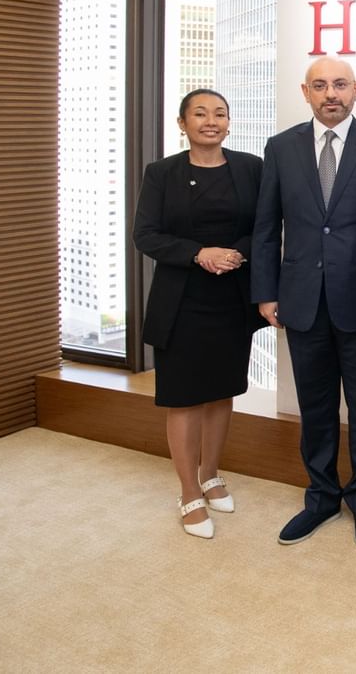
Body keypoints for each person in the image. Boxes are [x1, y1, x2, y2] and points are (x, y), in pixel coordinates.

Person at [251, 57, 356, 549]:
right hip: (300, 301)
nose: (330, 94)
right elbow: (265, 226)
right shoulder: (281, 148)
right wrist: (266, 291)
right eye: (320, 85)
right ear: (306, 92)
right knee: (315, 408)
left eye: (340, 84)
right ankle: (320, 497)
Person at [133, 88, 265, 539]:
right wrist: (198, 253)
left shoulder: (250, 168)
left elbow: (266, 227)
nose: (211, 121)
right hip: (181, 301)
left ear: (229, 122)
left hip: (231, 299)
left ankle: (210, 474)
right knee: (185, 397)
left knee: (221, 391)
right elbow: (145, 235)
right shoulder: (161, 173)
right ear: (182, 123)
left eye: (220, 114)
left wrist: (237, 254)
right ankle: (188, 491)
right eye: (201, 114)